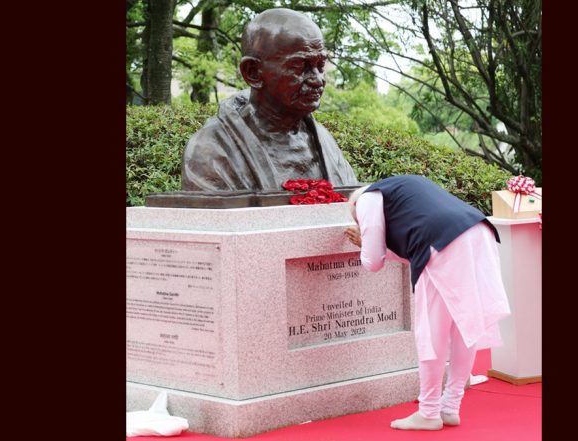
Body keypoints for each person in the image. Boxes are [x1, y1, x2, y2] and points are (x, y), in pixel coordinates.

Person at [344, 175, 511, 431]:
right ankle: (450, 406)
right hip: (478, 231)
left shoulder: (365, 200)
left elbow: (372, 261)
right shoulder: (405, 188)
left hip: (443, 242)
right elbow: (415, 248)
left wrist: (365, 241)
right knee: (464, 327)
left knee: (431, 332)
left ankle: (429, 411)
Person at [182, 8, 358, 192]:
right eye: (299, 66)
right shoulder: (212, 150)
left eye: (320, 65)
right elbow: (215, 218)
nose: (317, 79)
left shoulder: (324, 141)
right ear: (253, 72)